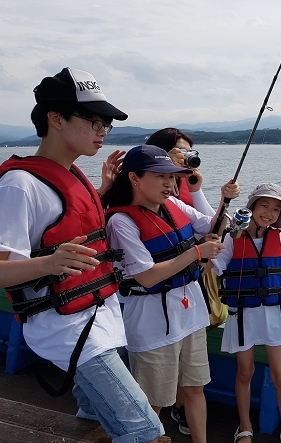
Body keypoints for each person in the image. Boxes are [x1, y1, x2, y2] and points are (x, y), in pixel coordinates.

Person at [0, 68, 166, 443]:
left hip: (103, 318)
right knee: (144, 430)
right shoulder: (19, 185)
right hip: (68, 329)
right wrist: (50, 263)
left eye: (105, 123)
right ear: (55, 119)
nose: (102, 130)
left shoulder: (71, 175)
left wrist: (104, 192)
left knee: (92, 420)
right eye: (94, 120)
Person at [105, 144, 227, 443]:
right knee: (152, 402)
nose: (170, 183)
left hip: (191, 314)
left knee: (195, 388)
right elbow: (146, 276)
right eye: (161, 176)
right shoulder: (121, 221)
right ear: (134, 178)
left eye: (172, 177)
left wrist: (224, 200)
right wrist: (196, 252)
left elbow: (211, 225)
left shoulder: (174, 205)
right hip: (152, 325)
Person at [146, 127, 240, 436]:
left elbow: (214, 225)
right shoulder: (136, 204)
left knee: (192, 377)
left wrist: (201, 190)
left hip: (188, 291)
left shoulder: (182, 195)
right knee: (154, 385)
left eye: (188, 154)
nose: (185, 160)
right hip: (152, 302)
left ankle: (183, 412)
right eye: (178, 153)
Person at [210, 183, 281, 443]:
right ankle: (244, 426)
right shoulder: (232, 238)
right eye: (264, 205)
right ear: (252, 207)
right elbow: (212, 265)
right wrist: (213, 236)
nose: (269, 213)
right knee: (244, 372)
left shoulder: (279, 239)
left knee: (280, 374)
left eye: (275, 209)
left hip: (274, 315)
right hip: (242, 314)